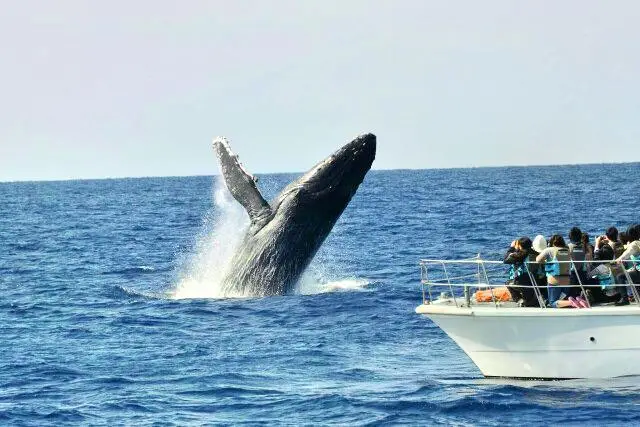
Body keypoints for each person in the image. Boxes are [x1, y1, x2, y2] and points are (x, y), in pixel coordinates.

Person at [536, 234, 575, 308]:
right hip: (567, 281)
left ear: (551, 242)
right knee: (562, 299)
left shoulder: (549, 250)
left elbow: (538, 260)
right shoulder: (567, 250)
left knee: (553, 302)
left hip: (554, 281)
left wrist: (545, 262)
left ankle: (571, 302)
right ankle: (573, 300)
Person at [504, 237, 541, 306]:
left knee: (507, 283)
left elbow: (506, 260)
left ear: (520, 246)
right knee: (529, 298)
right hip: (536, 280)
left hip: (523, 281)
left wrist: (512, 248)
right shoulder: (536, 253)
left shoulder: (520, 255)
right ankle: (528, 301)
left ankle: (519, 299)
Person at [613, 224, 640, 305]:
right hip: (637, 270)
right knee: (634, 276)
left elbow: (626, 254)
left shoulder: (634, 244)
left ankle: (624, 299)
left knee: (620, 276)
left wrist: (618, 259)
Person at [567, 227, 589, 298]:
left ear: (570, 237)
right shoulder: (584, 246)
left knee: (572, 290)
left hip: (572, 273)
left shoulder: (568, 247)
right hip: (583, 272)